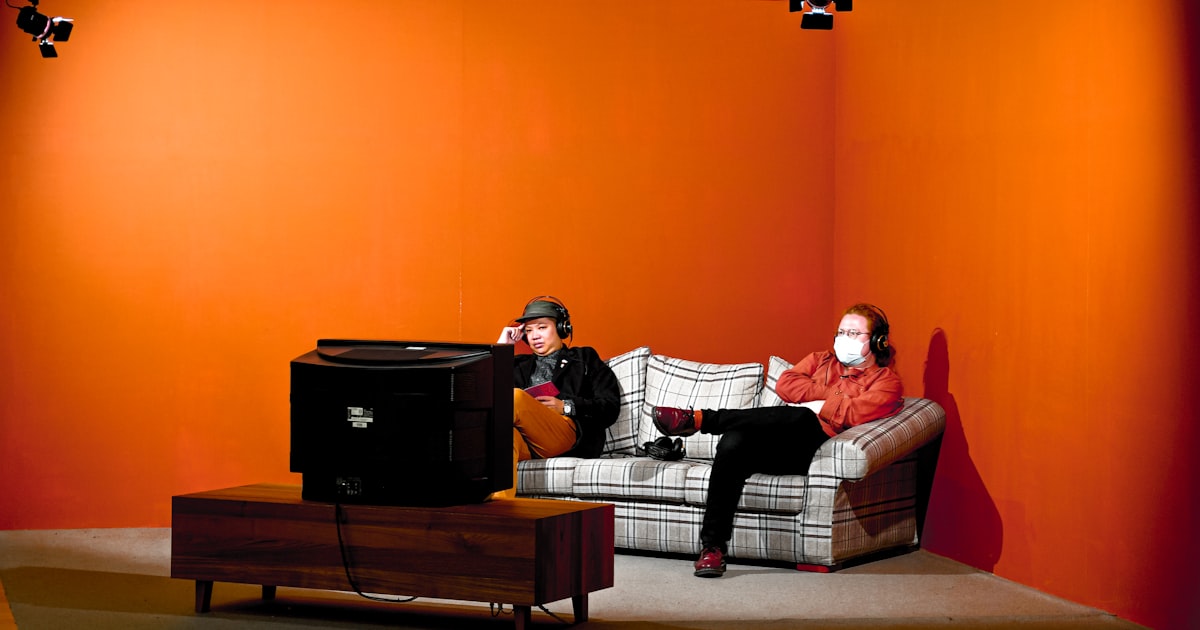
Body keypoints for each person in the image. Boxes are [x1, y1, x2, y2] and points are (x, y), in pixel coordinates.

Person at [651, 303, 904, 577]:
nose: (844, 339)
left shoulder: (886, 382)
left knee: (801, 416)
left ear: (877, 341)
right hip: (779, 443)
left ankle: (700, 419)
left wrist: (813, 401)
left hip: (813, 452)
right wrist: (828, 399)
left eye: (853, 333)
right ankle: (712, 550)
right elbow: (786, 385)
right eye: (841, 332)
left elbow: (854, 413)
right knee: (733, 442)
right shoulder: (820, 360)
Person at [492, 296, 621, 499]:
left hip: (567, 435)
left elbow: (610, 407)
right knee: (505, 438)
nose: (534, 336)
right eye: (528, 330)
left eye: (542, 327)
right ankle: (499, 511)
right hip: (528, 440)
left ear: (562, 328)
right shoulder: (518, 365)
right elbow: (485, 391)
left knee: (515, 397)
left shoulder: (584, 358)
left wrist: (567, 406)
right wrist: (502, 348)